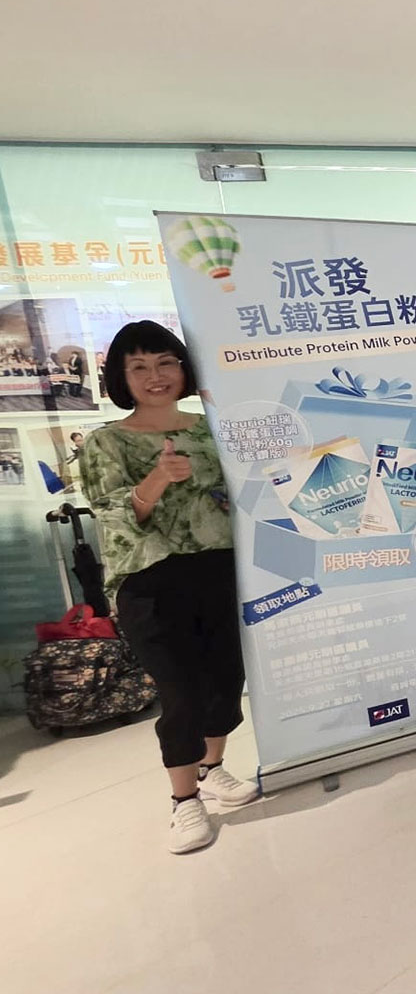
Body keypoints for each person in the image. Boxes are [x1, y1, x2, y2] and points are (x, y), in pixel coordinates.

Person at [78, 321, 259, 853]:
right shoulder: (106, 441)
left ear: (183, 368)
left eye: (165, 363)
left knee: (224, 678)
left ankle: (213, 767)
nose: (154, 376)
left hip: (220, 568)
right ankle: (184, 800)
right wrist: (157, 478)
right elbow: (112, 517)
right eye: (138, 367)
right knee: (180, 691)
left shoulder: (211, 428)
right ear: (121, 377)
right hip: (151, 581)